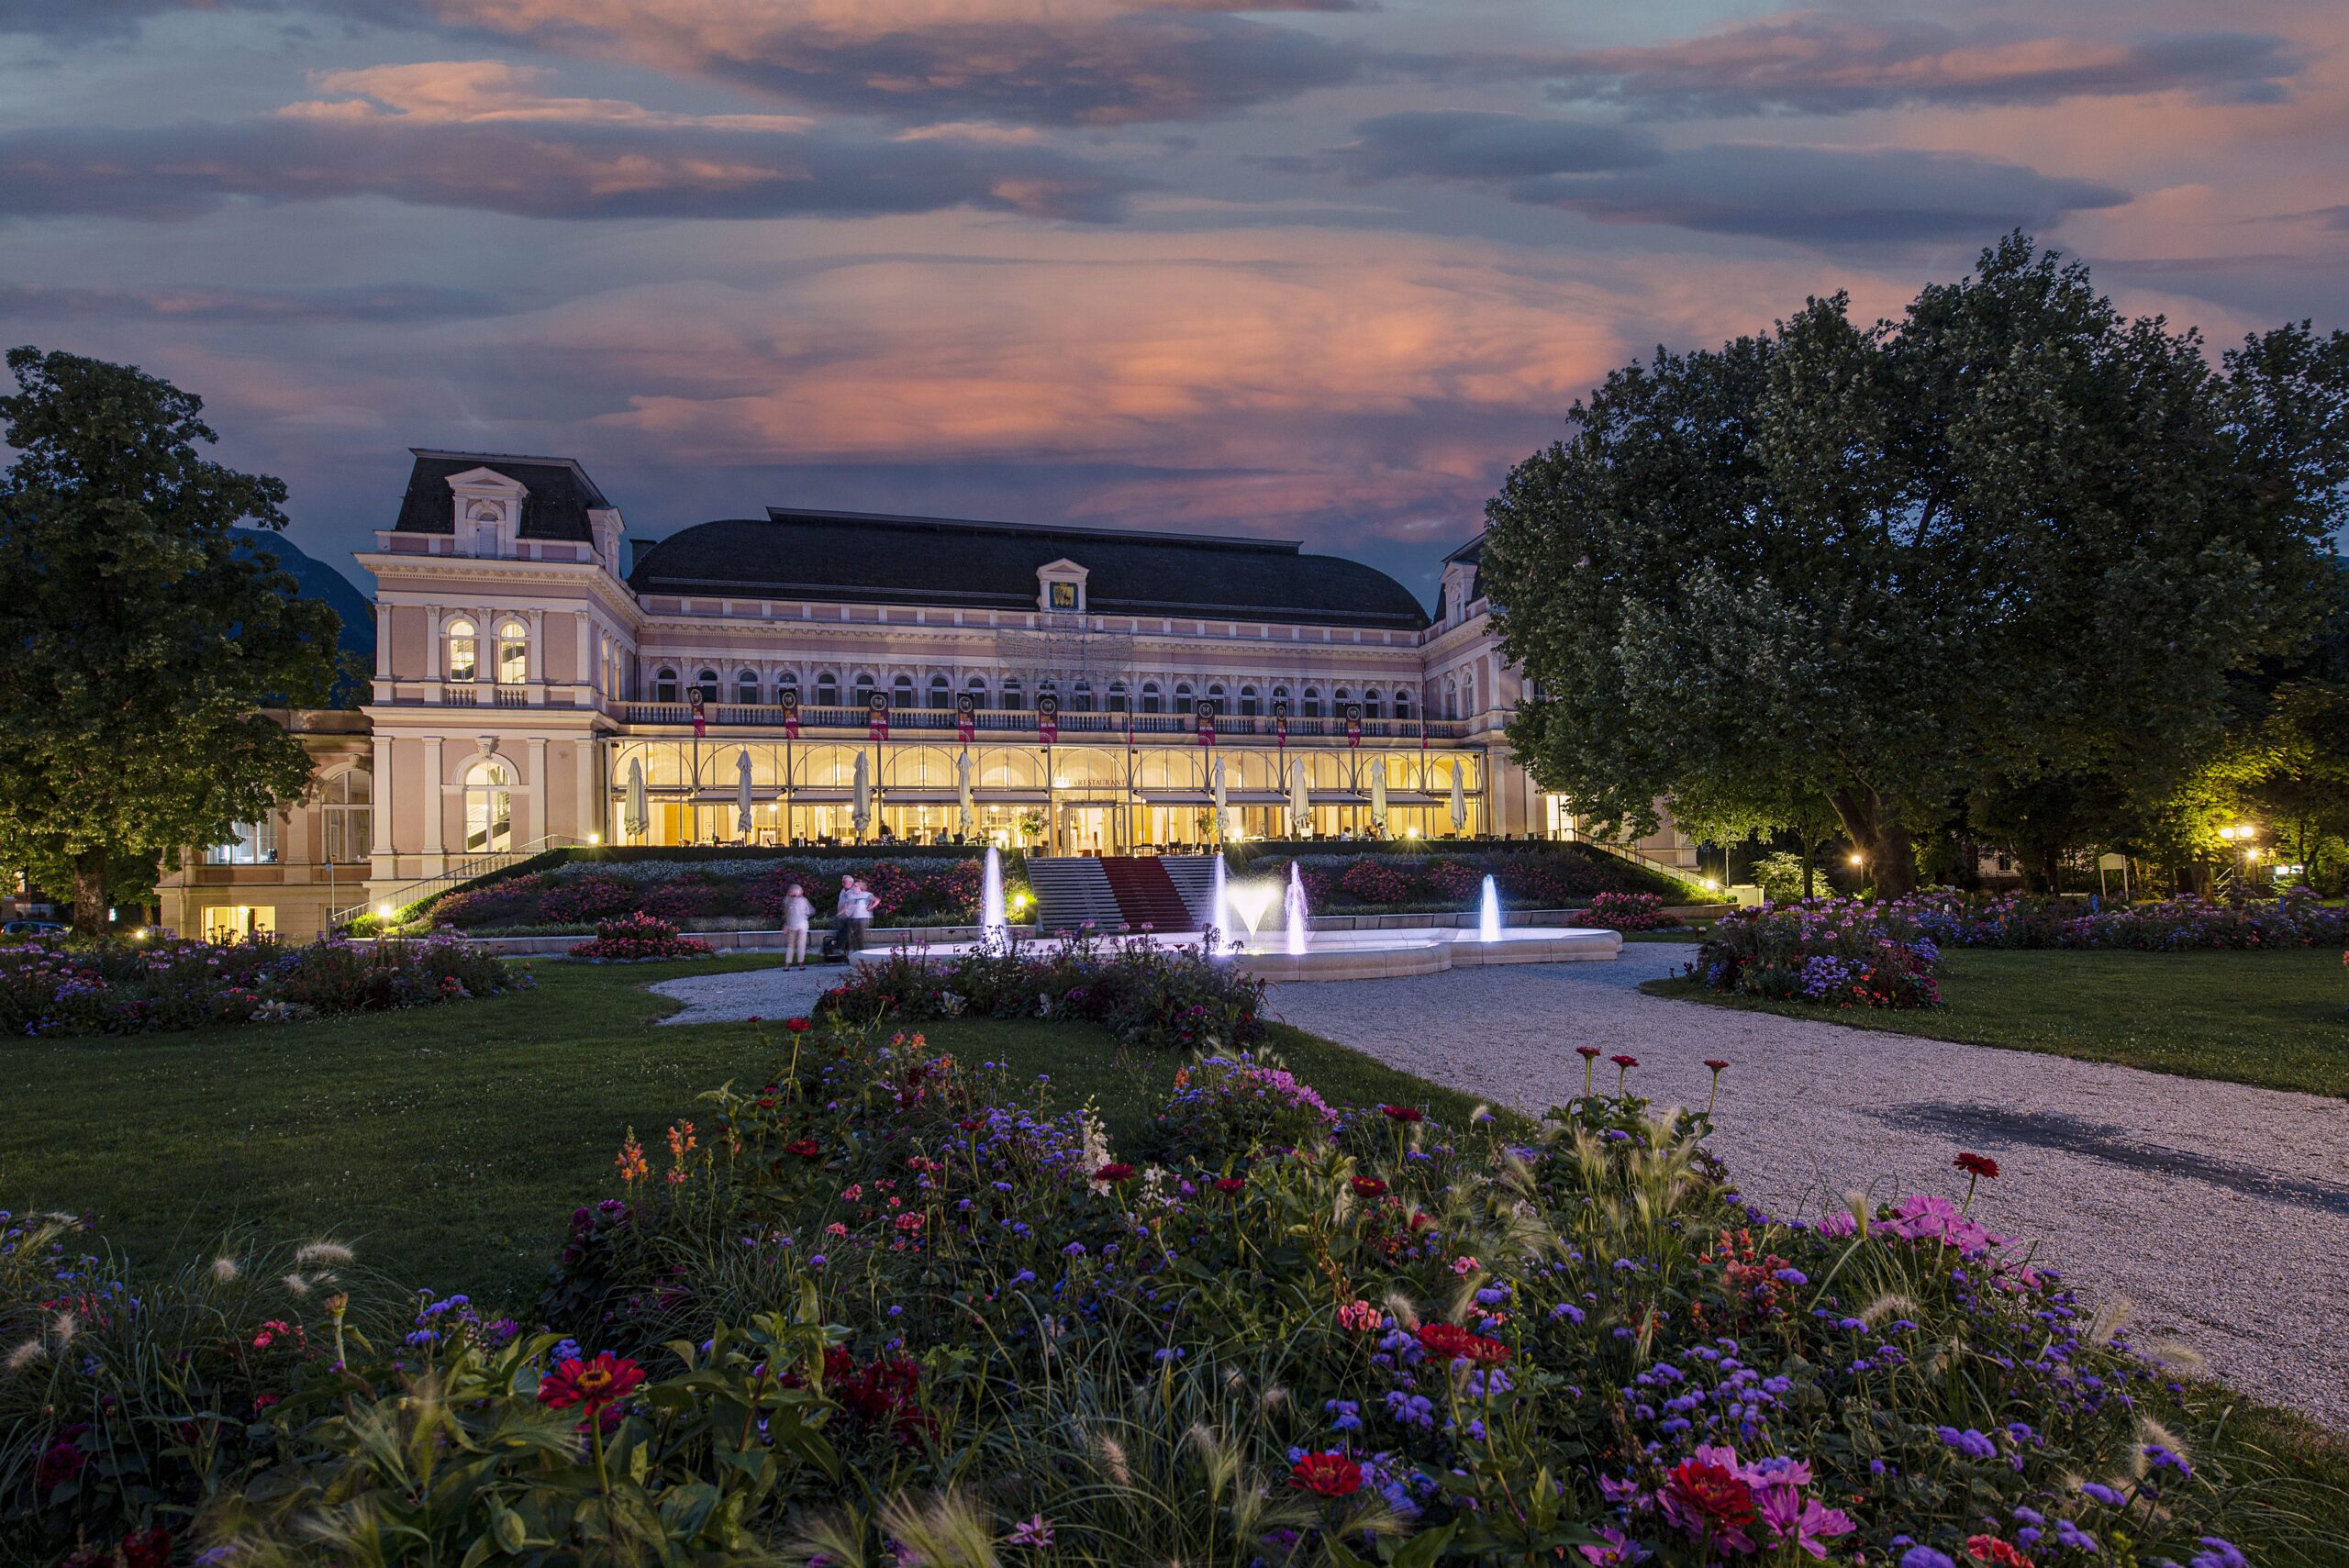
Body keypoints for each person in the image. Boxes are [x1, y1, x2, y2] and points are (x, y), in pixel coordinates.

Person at [780, 882, 813, 967]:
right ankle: (800, 963)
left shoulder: (787, 901)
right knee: (801, 945)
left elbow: (786, 914)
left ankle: (787, 964)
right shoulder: (803, 900)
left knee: (791, 945)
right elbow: (810, 911)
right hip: (801, 924)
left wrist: (786, 924)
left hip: (792, 925)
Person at [834, 876, 862, 954]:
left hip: (851, 917)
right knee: (845, 935)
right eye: (842, 881)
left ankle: (856, 952)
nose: (842, 883)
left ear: (850, 883)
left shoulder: (854, 892)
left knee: (850, 936)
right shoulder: (843, 891)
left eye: (844, 882)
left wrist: (840, 915)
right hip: (843, 917)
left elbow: (850, 907)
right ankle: (846, 952)